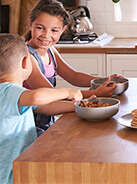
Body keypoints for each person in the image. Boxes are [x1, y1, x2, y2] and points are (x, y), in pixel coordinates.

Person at [23, 0, 118, 132]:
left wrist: (104, 81)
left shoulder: (51, 50)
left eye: (54, 30)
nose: (46, 35)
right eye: (40, 28)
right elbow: (51, 94)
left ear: (63, 30)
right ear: (30, 24)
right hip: (29, 127)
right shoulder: (27, 57)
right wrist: (95, 93)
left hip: (48, 121)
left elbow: (73, 76)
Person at [0, 33, 82, 184]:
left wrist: (78, 107)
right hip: (9, 174)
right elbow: (35, 97)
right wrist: (68, 92)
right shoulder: (7, 90)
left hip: (19, 166)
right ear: (26, 62)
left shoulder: (14, 96)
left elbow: (47, 107)